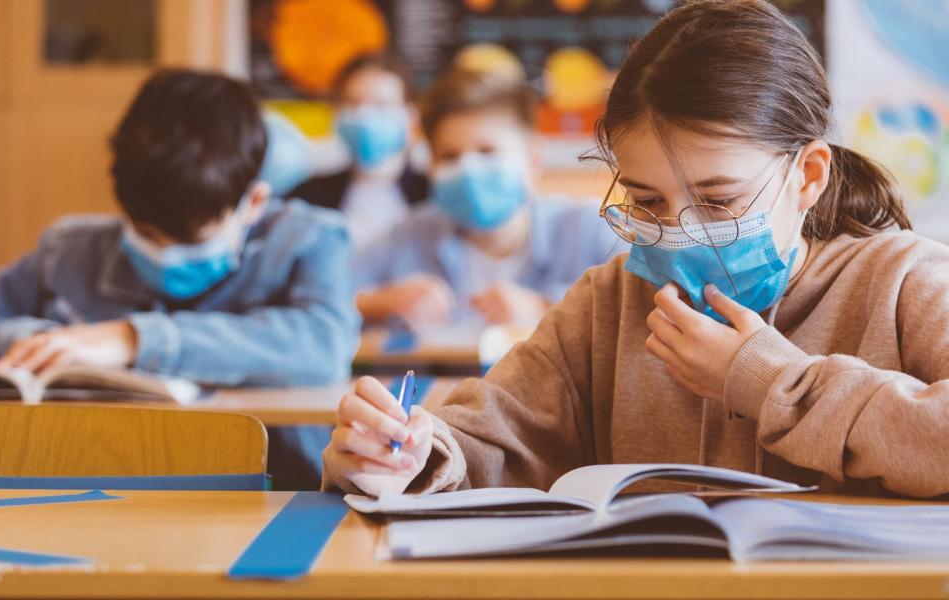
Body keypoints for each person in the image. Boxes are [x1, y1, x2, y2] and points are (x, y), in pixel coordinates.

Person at [321, 0, 949, 500]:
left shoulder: (905, 282)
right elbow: (494, 434)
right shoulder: (610, 300)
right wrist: (406, 452)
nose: (678, 230)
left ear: (808, 176)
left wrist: (766, 383)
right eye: (647, 202)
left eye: (720, 200)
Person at [0, 69, 360, 488]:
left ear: (254, 202)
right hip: (93, 484)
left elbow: (324, 344)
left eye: (194, 240)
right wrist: (48, 343)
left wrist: (131, 340)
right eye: (145, 234)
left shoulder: (308, 239)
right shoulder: (68, 249)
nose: (164, 254)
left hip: (278, 491)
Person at [354, 68, 617, 330]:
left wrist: (546, 308)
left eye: (487, 151)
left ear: (533, 158)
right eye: (450, 156)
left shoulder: (593, 228)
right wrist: (380, 302)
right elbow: (329, 291)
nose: (468, 169)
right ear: (431, 166)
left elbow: (643, 302)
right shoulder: (409, 236)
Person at [289, 54, 428, 250]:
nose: (364, 116)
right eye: (352, 103)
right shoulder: (306, 199)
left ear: (411, 117)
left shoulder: (433, 195)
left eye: (381, 105)